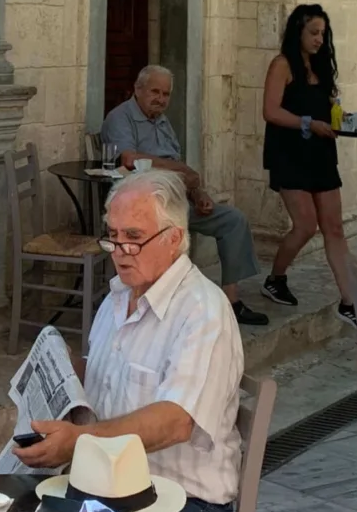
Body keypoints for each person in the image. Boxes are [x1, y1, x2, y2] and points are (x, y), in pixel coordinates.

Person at [0, 170, 243, 512]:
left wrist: (79, 441)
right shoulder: (118, 296)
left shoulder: (203, 312)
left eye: (133, 238)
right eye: (113, 237)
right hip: (102, 495)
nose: (120, 252)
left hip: (182, 506)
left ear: (174, 238)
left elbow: (176, 420)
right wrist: (60, 373)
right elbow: (103, 375)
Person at [102, 65, 267, 325]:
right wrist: (182, 171)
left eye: (166, 94)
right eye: (155, 91)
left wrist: (197, 192)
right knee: (167, 233)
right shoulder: (120, 117)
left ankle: (231, 300)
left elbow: (178, 166)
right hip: (145, 207)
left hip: (178, 199)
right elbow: (129, 158)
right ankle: (164, 305)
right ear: (138, 89)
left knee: (233, 220)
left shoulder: (163, 121)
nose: (161, 99)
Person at [259, 4, 355, 322]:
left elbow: (327, 108)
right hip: (289, 154)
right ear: (297, 31)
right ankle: (275, 278)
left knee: (335, 228)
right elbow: (271, 111)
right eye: (313, 33)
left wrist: (339, 121)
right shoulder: (282, 65)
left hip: (321, 154)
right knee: (304, 226)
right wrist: (308, 124)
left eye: (322, 34)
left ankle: (349, 301)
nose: (318, 39)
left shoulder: (322, 67)